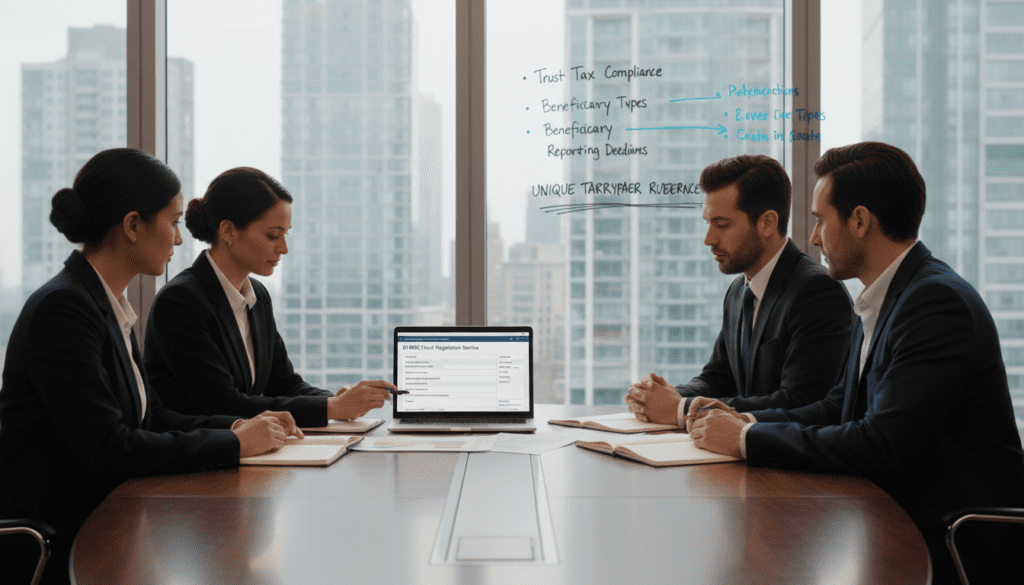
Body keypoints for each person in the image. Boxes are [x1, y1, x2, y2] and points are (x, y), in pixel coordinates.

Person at [685, 142, 1024, 583]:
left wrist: (748, 438)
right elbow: (838, 406)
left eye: (822, 220)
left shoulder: (934, 303)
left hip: (954, 539)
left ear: (860, 221)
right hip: (892, 516)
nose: (813, 237)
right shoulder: (887, 299)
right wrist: (743, 421)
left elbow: (879, 442)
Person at [0, 149, 294, 585]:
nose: (180, 239)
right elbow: (109, 448)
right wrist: (233, 445)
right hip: (65, 535)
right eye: (173, 223)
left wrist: (237, 429)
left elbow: (152, 416)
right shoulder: (64, 309)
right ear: (134, 225)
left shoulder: (105, 304)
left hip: (114, 514)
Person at [143, 167, 394, 427]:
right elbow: (222, 403)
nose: (283, 248)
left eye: (286, 234)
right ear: (228, 231)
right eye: (273, 235)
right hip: (197, 458)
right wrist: (330, 407)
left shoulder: (257, 295)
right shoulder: (181, 301)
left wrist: (335, 401)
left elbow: (283, 383)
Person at [625, 154, 853, 428]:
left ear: (767, 223)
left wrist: (680, 409)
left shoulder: (817, 291)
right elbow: (718, 378)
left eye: (722, 225)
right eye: (707, 223)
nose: (708, 239)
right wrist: (666, 396)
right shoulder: (737, 291)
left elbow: (800, 402)